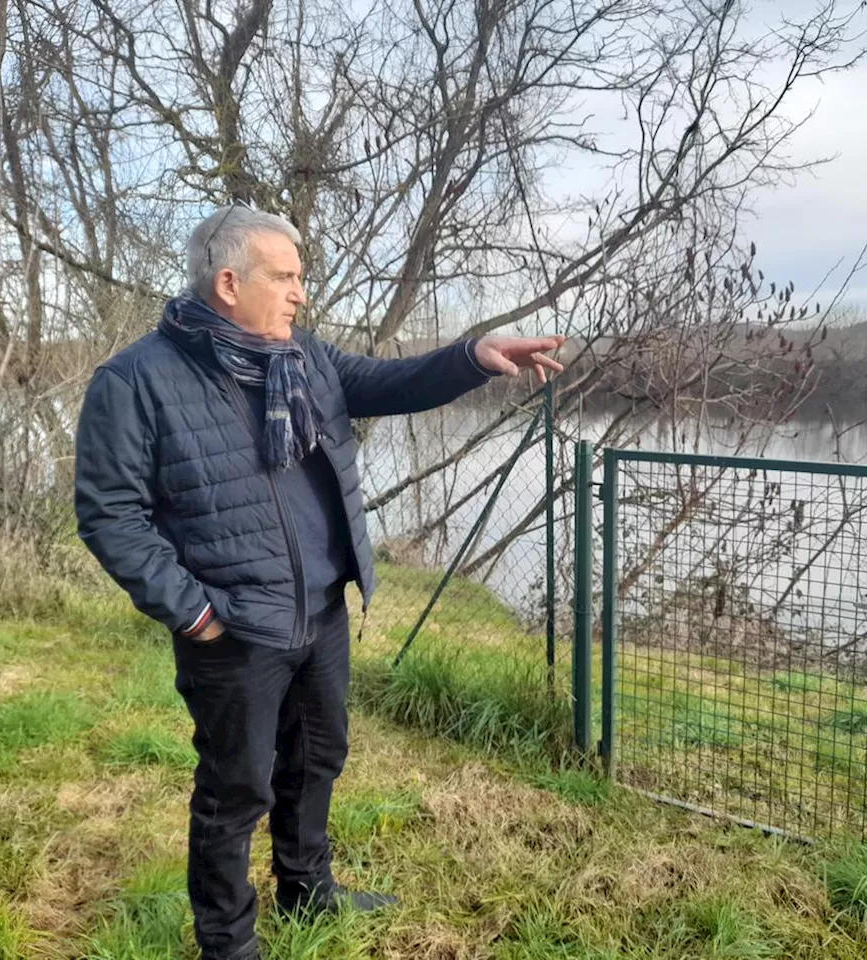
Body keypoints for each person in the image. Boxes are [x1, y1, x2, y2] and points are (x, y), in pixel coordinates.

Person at [74, 205, 565, 960]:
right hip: (234, 626)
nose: (301, 292)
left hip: (320, 611)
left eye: (301, 277)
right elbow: (111, 516)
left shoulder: (301, 358)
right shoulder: (135, 381)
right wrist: (196, 613)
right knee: (235, 792)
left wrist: (473, 355)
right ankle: (229, 944)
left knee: (317, 759)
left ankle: (307, 894)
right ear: (229, 282)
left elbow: (389, 381)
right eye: (287, 277)